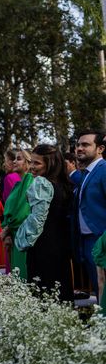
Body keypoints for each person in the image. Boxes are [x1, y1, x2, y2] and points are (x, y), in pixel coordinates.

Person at [14, 145, 73, 302]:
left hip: (43, 245)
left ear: (51, 163)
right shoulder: (64, 184)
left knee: (43, 291)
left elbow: (36, 220)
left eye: (37, 163)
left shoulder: (41, 184)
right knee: (59, 291)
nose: (32, 167)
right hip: (61, 244)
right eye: (31, 162)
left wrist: (22, 239)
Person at [73, 129, 106, 300]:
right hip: (85, 241)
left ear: (100, 148)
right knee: (97, 289)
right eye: (78, 144)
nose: (79, 148)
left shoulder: (104, 169)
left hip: (101, 239)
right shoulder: (85, 173)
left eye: (85, 145)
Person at [1, 149, 33, 279]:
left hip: (23, 235)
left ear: (28, 164)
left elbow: (24, 211)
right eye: (14, 159)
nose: (14, 161)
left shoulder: (30, 181)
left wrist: (7, 228)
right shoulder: (18, 184)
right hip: (13, 235)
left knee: (23, 274)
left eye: (19, 159)